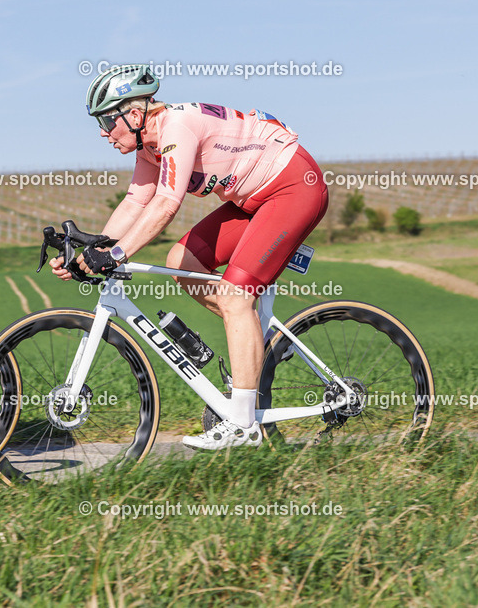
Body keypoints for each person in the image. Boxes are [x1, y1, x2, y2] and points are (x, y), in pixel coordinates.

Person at [51, 64, 329, 449]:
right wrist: (89, 253)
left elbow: (166, 204)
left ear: (133, 114)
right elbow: (135, 203)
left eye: (106, 120)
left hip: (292, 188)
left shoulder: (176, 128)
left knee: (235, 298)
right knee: (182, 260)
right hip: (251, 201)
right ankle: (253, 340)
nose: (102, 131)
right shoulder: (148, 145)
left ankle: (243, 425)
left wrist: (115, 254)